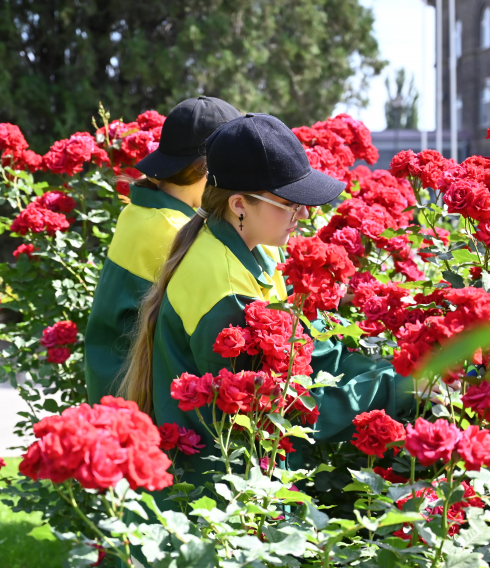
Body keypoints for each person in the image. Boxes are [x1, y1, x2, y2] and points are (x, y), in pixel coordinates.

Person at [121, 113, 414, 487]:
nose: (303, 213)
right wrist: (401, 387)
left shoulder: (251, 248)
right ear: (239, 204)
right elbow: (284, 412)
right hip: (221, 493)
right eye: (290, 202)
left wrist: (401, 369)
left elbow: (311, 352)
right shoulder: (226, 292)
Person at [85, 96, 240, 405]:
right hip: (139, 395)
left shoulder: (139, 209)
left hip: (109, 384)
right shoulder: (176, 231)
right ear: (208, 168)